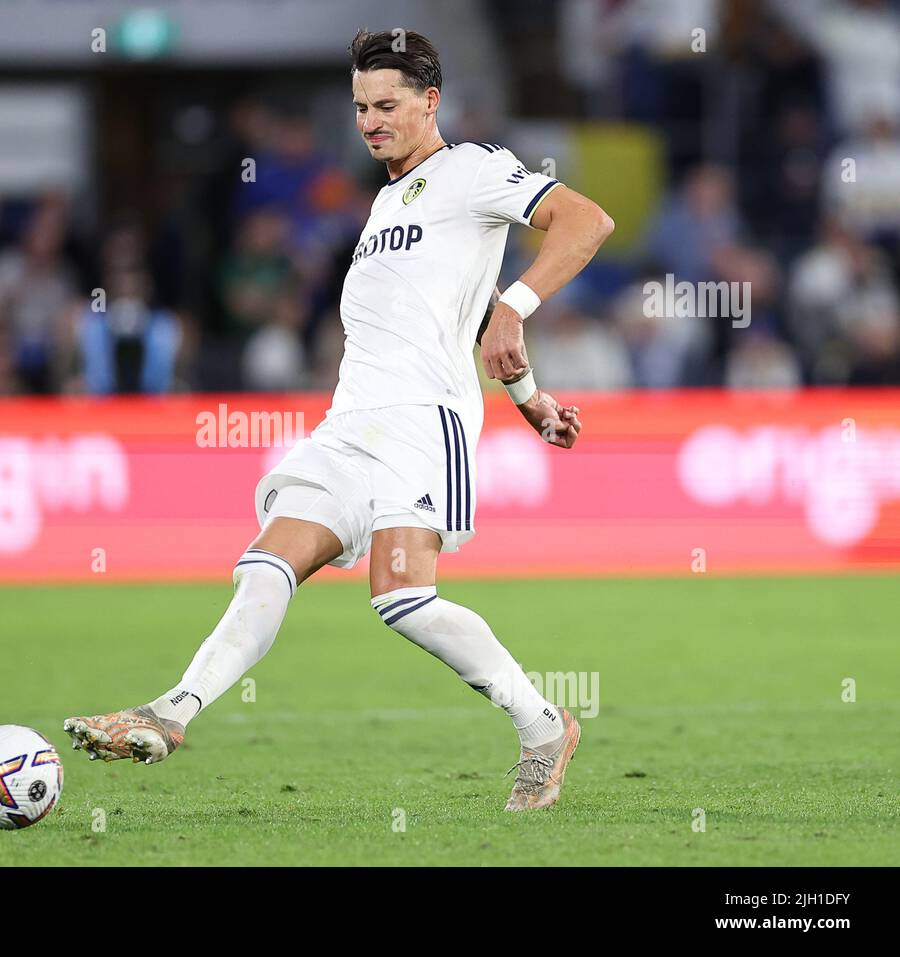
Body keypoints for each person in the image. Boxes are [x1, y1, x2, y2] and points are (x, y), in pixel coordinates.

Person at [65, 29, 615, 811]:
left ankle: (541, 725)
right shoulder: (387, 201)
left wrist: (516, 309)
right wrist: (533, 403)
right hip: (347, 425)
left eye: (388, 104)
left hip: (425, 426)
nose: (371, 120)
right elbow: (460, 320)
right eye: (361, 107)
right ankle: (169, 712)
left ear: (431, 101)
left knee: (401, 599)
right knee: (264, 564)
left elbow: (587, 223)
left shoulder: (474, 169)